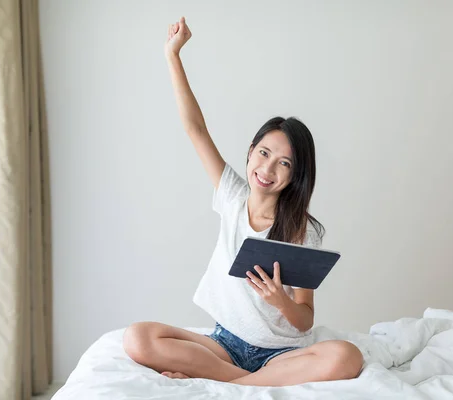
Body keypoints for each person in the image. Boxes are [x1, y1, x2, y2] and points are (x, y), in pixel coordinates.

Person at [122, 16, 364, 387]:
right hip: (224, 344)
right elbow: (195, 129)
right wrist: (173, 55)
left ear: (296, 174)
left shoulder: (302, 230)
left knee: (347, 356)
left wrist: (279, 301)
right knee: (137, 337)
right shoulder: (232, 195)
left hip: (282, 353)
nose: (268, 168)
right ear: (250, 153)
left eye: (284, 162)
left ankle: (232, 385)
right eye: (264, 153)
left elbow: (305, 319)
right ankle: (249, 379)